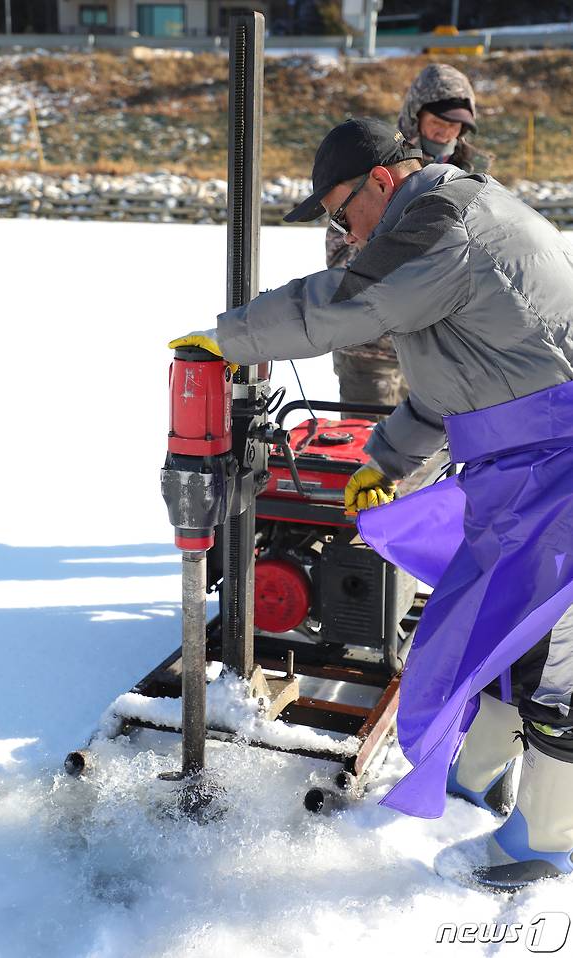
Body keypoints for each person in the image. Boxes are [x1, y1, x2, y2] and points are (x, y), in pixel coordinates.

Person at [170, 117, 573, 890]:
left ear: (382, 181)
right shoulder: (452, 224)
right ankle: (481, 781)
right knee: (493, 632)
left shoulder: (438, 219)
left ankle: (545, 845)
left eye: (341, 211)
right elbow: (452, 385)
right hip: (518, 469)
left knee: (551, 656)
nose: (342, 231)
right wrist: (385, 460)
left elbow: (349, 302)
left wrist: (231, 338)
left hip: (557, 469)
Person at [329, 63, 489, 413]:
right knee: (370, 454)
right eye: (438, 122)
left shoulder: (474, 179)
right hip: (373, 353)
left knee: (429, 462)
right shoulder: (378, 160)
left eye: (455, 124)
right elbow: (340, 248)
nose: (446, 132)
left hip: (442, 351)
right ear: (415, 117)